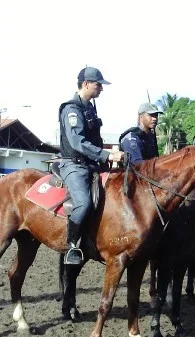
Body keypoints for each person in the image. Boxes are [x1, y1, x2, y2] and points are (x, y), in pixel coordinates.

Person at [59, 67, 124, 265]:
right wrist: (106, 153)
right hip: (74, 165)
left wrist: (105, 159)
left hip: (92, 164)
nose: (101, 89)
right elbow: (77, 142)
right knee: (84, 203)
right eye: (98, 85)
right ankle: (72, 246)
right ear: (86, 84)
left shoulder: (89, 107)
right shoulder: (72, 109)